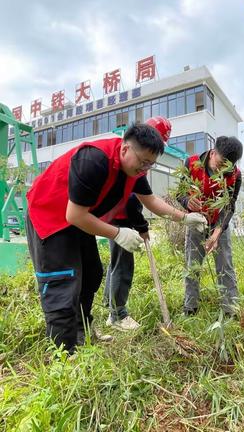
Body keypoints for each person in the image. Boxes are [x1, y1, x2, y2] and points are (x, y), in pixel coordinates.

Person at [26, 123, 206, 354]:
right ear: (124, 150)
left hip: (78, 219)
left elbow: (150, 201)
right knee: (63, 283)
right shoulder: (94, 160)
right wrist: (118, 232)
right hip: (50, 217)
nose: (145, 169)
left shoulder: (134, 170)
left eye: (151, 164)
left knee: (92, 274)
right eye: (143, 162)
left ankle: (82, 333)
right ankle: (63, 355)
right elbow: (74, 214)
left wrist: (185, 218)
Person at [104, 116, 172, 331]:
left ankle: (110, 307)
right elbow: (133, 199)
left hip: (115, 218)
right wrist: (141, 226)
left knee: (115, 265)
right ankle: (117, 314)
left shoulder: (139, 158)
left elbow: (145, 197)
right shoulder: (132, 157)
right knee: (123, 266)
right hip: (122, 221)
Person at [177, 136, 243, 317]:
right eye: (220, 163)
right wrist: (188, 202)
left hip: (220, 225)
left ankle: (230, 308)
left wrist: (216, 234)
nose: (222, 170)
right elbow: (180, 193)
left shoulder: (235, 175)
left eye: (227, 168)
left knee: (225, 267)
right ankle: (190, 307)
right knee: (193, 266)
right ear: (213, 153)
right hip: (196, 223)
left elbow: (229, 205)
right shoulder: (191, 163)